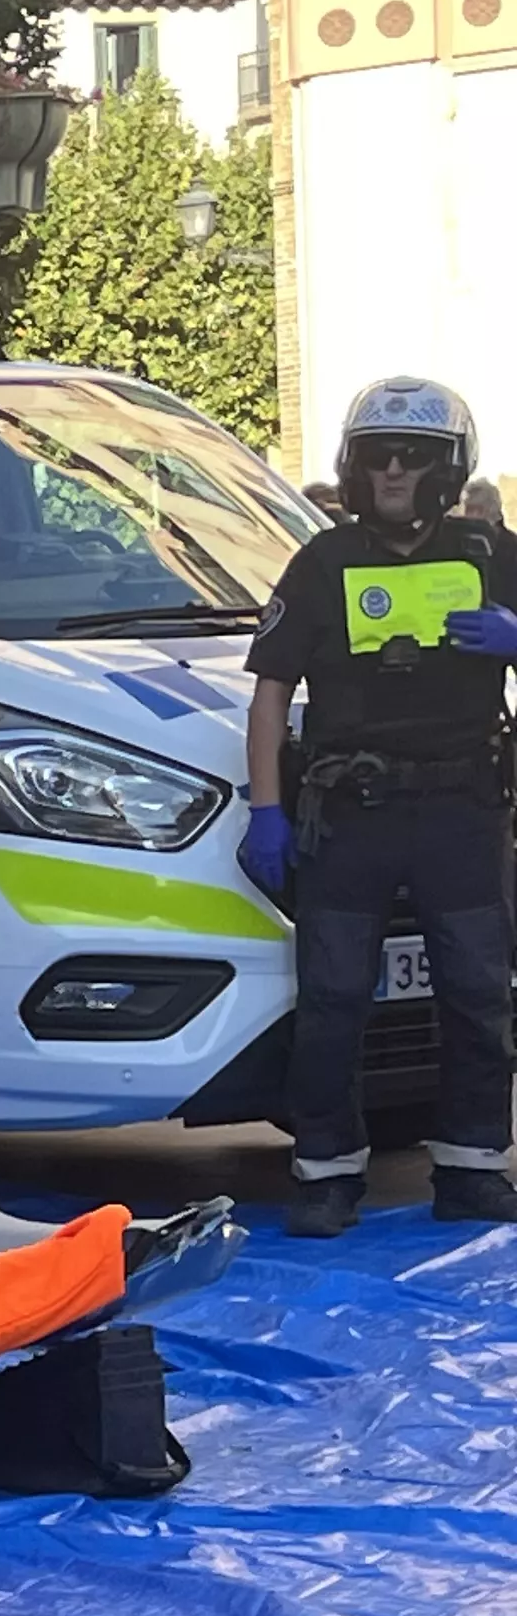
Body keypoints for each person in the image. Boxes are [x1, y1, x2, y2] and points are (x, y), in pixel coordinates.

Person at [241, 376, 517, 1238]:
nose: (394, 472)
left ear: (451, 468)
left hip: (462, 810)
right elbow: (269, 694)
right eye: (377, 457)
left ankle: (474, 1167)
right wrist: (267, 809)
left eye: (415, 457)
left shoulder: (494, 555)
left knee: (478, 992)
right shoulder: (322, 562)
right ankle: (326, 1173)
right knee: (331, 998)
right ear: (350, 468)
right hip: (349, 814)